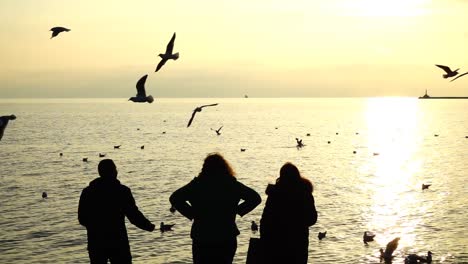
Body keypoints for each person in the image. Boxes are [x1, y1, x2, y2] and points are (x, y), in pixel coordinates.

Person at [170, 153, 261, 264]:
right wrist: (237, 210)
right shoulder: (231, 184)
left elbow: (175, 198)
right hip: (226, 234)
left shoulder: (197, 184)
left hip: (202, 235)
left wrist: (192, 213)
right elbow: (255, 198)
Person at [78, 159, 155, 264]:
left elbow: (82, 218)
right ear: (114, 172)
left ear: (100, 172)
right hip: (118, 241)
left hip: (96, 242)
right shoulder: (122, 191)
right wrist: (148, 226)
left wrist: (95, 227)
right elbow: (133, 215)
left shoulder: (87, 192)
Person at [260, 162, 317, 264]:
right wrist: (298, 224)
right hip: (298, 241)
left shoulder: (274, 194)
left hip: (276, 241)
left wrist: (264, 239)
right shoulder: (304, 193)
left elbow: (265, 220)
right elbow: (312, 218)